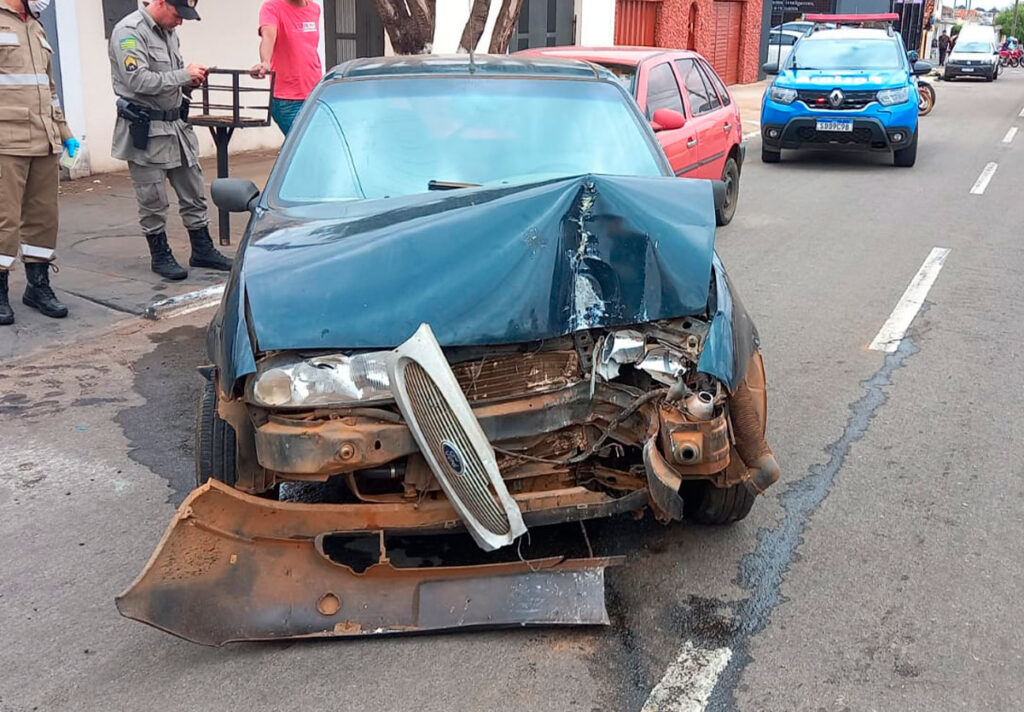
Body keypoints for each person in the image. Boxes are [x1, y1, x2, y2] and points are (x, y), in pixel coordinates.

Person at [108, 0, 232, 281]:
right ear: (162, 2)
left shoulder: (168, 32)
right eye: (178, 14)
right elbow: (137, 81)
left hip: (176, 125)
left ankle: (202, 249)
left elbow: (167, 78)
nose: (181, 22)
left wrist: (190, 81)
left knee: (194, 190)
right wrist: (182, 75)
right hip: (146, 130)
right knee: (152, 198)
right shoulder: (129, 32)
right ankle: (160, 254)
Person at [0, 0, 79, 325]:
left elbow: (48, 88)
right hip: (6, 139)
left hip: (45, 138)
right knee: (5, 219)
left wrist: (64, 130)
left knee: (44, 217)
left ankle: (38, 286)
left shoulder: (35, 24)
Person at [250, 0, 322, 136]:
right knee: (305, 145)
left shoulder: (315, 9)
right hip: (287, 98)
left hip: (315, 92)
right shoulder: (272, 7)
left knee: (315, 146)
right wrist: (265, 62)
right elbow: (268, 37)